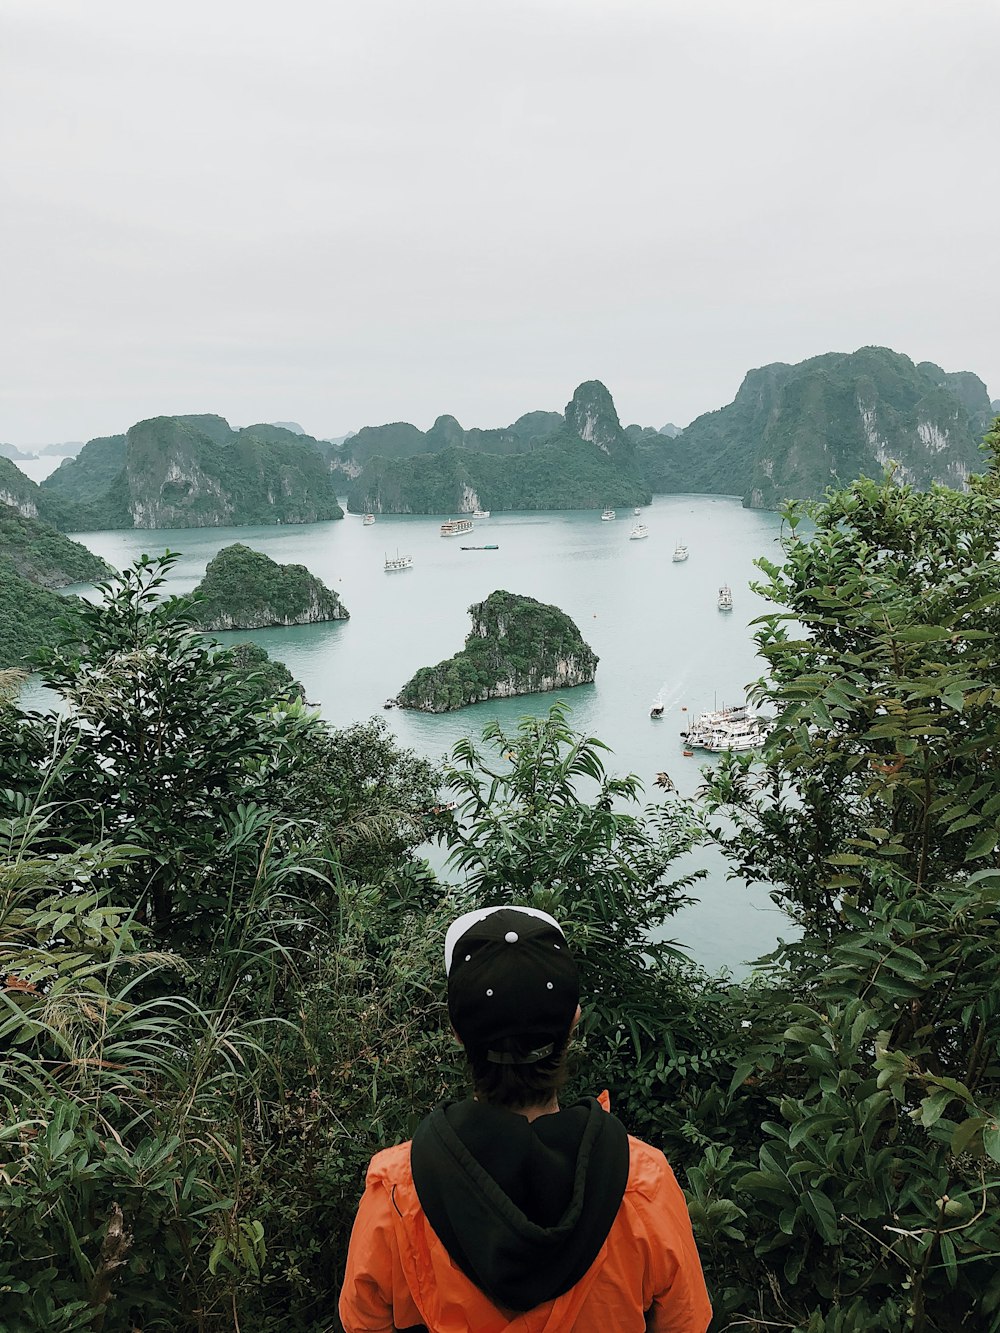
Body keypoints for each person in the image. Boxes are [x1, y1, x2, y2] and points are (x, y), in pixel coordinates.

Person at [339, 905, 712, 1333]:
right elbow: (685, 1323)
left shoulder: (397, 1191)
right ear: (573, 1022)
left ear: (457, 1031)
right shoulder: (642, 1184)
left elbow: (363, 1323)